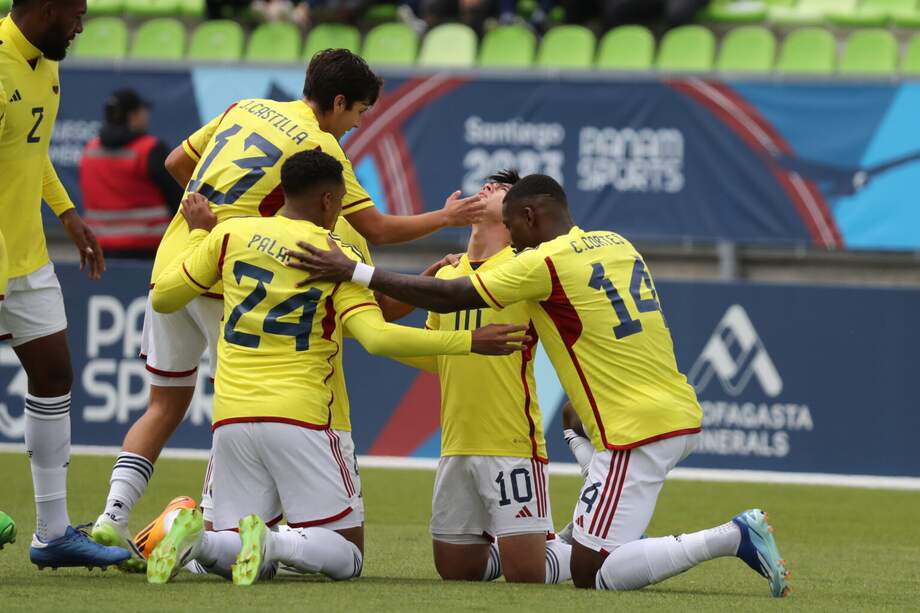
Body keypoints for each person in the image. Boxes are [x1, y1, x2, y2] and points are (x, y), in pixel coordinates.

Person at [288, 173, 792, 597]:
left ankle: (729, 536)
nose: (512, 237)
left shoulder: (536, 264)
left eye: (513, 225)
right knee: (462, 565)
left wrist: (353, 270)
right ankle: (591, 497)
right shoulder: (617, 242)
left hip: (631, 428)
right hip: (647, 413)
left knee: (593, 571)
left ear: (528, 218)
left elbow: (449, 299)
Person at [91, 48, 484, 570]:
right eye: (358, 114)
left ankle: (112, 520)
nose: (355, 128)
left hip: (173, 265)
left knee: (163, 406)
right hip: (236, 312)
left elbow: (174, 165)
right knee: (243, 401)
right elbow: (379, 240)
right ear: (339, 103)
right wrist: (446, 217)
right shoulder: (323, 190)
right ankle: (199, 536)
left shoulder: (244, 108)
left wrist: (216, 224)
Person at [143, 149, 527, 585]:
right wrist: (469, 342)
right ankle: (274, 541)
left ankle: (195, 540)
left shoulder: (230, 234)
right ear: (329, 201)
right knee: (345, 554)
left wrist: (196, 235)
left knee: (233, 547)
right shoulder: (335, 256)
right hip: (304, 415)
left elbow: (163, 296)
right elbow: (378, 336)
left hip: (231, 416)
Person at [0, 0, 130, 570]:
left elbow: (31, 150)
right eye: (75, 14)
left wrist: (69, 215)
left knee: (54, 372)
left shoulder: (45, 63)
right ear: (46, 9)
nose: (80, 26)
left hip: (26, 256)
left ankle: (52, 534)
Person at [397, 169, 571, 584]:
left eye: (502, 190)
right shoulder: (446, 277)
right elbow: (435, 356)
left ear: (517, 216)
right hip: (456, 442)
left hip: (510, 440)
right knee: (457, 570)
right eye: (487, 185)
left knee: (526, 574)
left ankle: (589, 545)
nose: (488, 188)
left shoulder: (525, 269)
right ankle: (545, 542)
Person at [79, 88, 182, 259]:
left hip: (101, 251)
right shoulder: (151, 150)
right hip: (150, 251)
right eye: (143, 111)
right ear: (133, 116)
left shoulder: (90, 150)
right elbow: (179, 199)